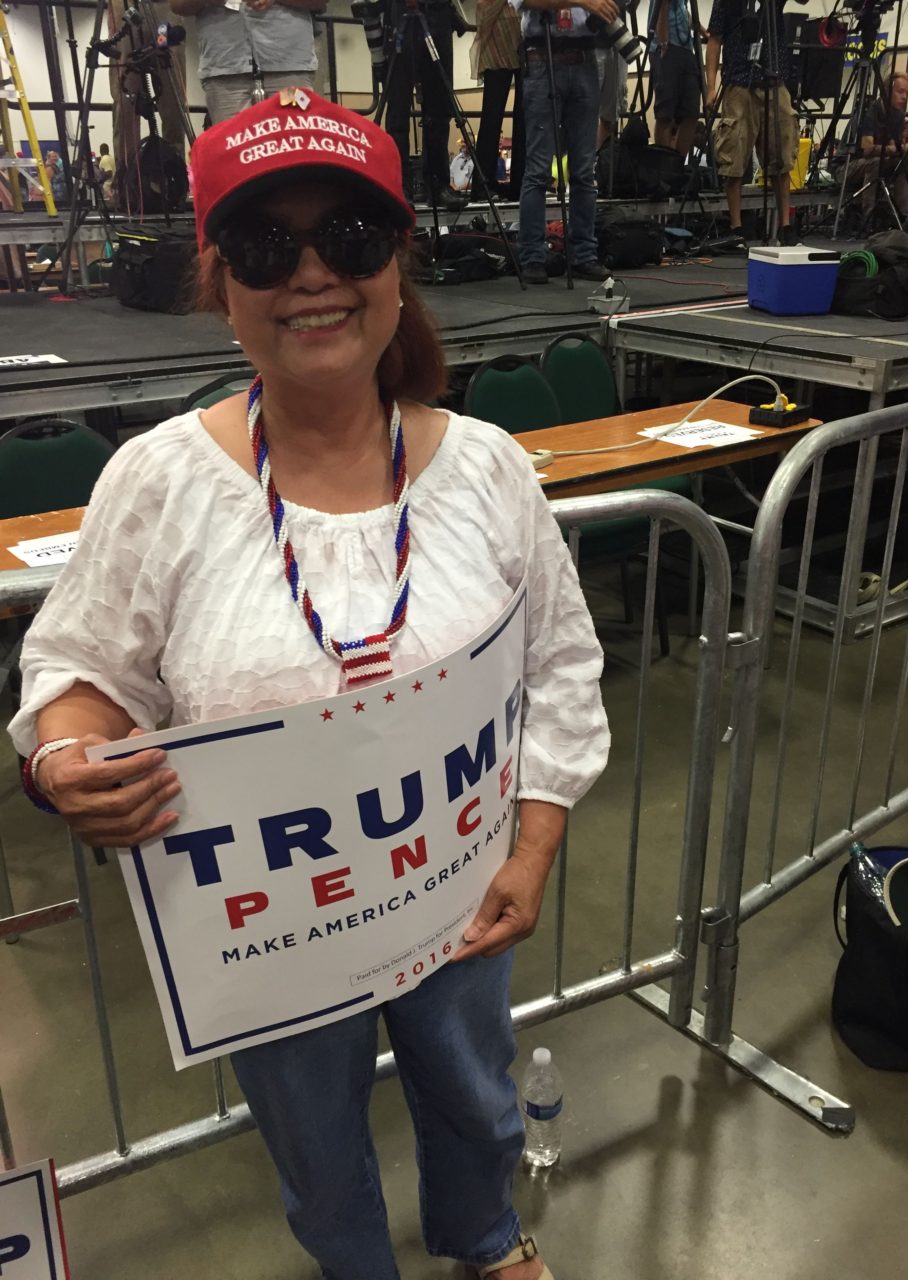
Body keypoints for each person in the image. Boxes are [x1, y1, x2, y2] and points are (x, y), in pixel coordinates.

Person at [9, 90, 609, 1280]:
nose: (312, 277)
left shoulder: (487, 470)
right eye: (266, 246)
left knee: (476, 1091)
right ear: (221, 285)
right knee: (315, 1142)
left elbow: (561, 665)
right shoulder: (160, 481)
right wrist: (63, 757)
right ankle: (353, 1265)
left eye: (349, 237)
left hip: (456, 892)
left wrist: (533, 848)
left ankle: (484, 1232)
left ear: (397, 264)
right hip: (273, 929)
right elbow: (80, 670)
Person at [509, 0, 620, 283]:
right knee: (538, 169)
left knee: (584, 168)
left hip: (584, 59)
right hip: (541, 60)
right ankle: (532, 256)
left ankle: (583, 253)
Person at [705, 0, 799, 247]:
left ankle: (785, 226)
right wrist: (711, 86)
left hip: (774, 81)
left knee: (782, 156)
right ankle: (736, 227)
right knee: (733, 157)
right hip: (738, 80)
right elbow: (714, 39)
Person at [168, 0, 319, 124]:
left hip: (290, 68)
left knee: (295, 146)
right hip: (225, 71)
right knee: (232, 152)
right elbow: (177, 5)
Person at [382, 0, 465, 210]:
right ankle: (400, 187)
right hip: (401, 16)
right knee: (398, 113)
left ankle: (438, 186)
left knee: (439, 111)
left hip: (439, 15)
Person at [107, 0, 186, 209]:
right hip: (125, 5)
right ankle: (126, 185)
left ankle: (173, 181)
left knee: (173, 98)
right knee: (126, 99)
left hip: (164, 8)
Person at [471, 0, 526, 200]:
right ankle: (484, 185)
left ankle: (519, 184)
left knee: (523, 116)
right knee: (492, 118)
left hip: (523, 35)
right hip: (499, 36)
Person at [845, 71, 908, 224]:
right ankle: (868, 218)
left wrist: (903, 147)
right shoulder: (870, 112)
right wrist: (899, 148)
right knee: (876, 162)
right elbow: (867, 149)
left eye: (906, 92)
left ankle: (903, 217)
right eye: (900, 92)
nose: (904, 97)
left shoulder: (898, 115)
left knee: (906, 162)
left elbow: (891, 147)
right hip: (849, 164)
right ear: (887, 91)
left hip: (876, 160)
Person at [648, 0, 701, 157]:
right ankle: (664, 168)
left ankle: (677, 165)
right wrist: (664, 42)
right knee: (666, 113)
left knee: (691, 112)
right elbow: (663, 6)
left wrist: (702, 31)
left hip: (685, 49)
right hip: (667, 47)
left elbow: (681, 11)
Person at [596, 46, 627, 151]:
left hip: (616, 43)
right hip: (590, 46)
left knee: (611, 114)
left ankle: (601, 161)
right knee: (585, 112)